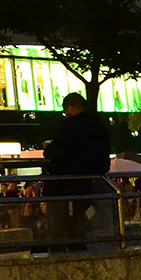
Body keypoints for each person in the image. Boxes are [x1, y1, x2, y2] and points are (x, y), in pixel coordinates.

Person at [42, 91, 111, 250]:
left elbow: (55, 150)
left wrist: (49, 148)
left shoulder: (71, 127)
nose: (65, 114)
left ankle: (59, 253)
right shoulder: (99, 126)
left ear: (71, 108)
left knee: (59, 224)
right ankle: (79, 249)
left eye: (65, 111)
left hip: (63, 183)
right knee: (80, 221)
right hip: (87, 182)